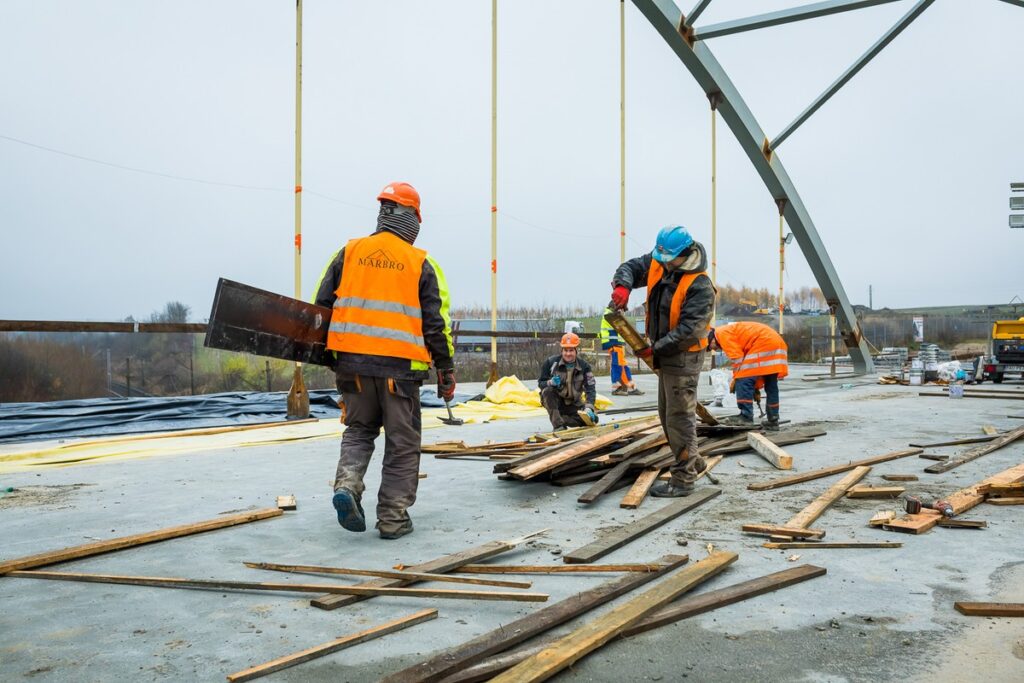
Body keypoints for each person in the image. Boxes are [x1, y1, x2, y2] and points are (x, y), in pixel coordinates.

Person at [314, 181, 455, 540]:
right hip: (400, 371)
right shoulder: (421, 263)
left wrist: (330, 357)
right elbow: (435, 325)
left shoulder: (348, 252)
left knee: (359, 430)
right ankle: (392, 519)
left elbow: (321, 307)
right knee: (401, 444)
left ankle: (347, 485)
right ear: (413, 218)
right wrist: (446, 370)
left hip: (351, 366)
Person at [609, 225, 716, 497]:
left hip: (683, 357)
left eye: (670, 259)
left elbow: (688, 331)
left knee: (679, 418)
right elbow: (631, 267)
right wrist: (623, 285)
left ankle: (683, 481)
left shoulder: (700, 285)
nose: (664, 264)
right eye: (661, 258)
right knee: (667, 416)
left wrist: (653, 351)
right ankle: (693, 461)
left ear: (685, 253)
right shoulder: (660, 261)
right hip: (664, 353)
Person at [708, 322, 788, 430]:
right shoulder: (728, 331)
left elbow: (738, 359)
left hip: (764, 342)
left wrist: (736, 379)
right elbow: (754, 368)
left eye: (710, 347)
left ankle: (746, 417)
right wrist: (755, 386)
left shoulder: (721, 334)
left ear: (712, 339)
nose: (714, 349)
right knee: (771, 384)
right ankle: (773, 420)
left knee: (743, 379)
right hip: (776, 343)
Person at [538, 332, 598, 431]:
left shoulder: (584, 366)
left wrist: (589, 407)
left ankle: (561, 419)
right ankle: (558, 426)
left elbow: (590, 388)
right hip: (556, 402)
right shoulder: (550, 363)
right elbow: (541, 383)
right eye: (565, 350)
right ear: (562, 350)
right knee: (548, 391)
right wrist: (550, 382)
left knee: (592, 420)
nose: (568, 354)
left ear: (576, 350)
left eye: (571, 350)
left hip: (574, 404)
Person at [599, 307, 644, 396]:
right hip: (614, 344)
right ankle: (618, 388)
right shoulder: (610, 315)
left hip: (616, 344)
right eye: (622, 309)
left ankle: (630, 387)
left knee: (622, 366)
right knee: (617, 366)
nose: (623, 311)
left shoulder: (610, 314)